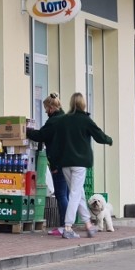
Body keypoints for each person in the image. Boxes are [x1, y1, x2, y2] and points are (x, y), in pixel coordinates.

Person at [50, 92, 113, 239]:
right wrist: (109, 140)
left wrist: (54, 162)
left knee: (79, 194)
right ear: (83, 104)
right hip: (79, 163)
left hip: (65, 163)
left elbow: (57, 144)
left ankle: (88, 225)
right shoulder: (85, 120)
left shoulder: (63, 120)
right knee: (75, 194)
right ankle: (68, 227)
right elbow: (99, 135)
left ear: (72, 103)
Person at [26, 92, 69, 236]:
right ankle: (68, 224)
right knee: (67, 194)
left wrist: (25, 131)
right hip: (70, 161)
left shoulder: (54, 121)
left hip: (59, 162)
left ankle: (65, 226)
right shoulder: (66, 118)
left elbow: (41, 135)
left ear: (51, 107)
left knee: (61, 194)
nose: (45, 111)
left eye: (46, 108)